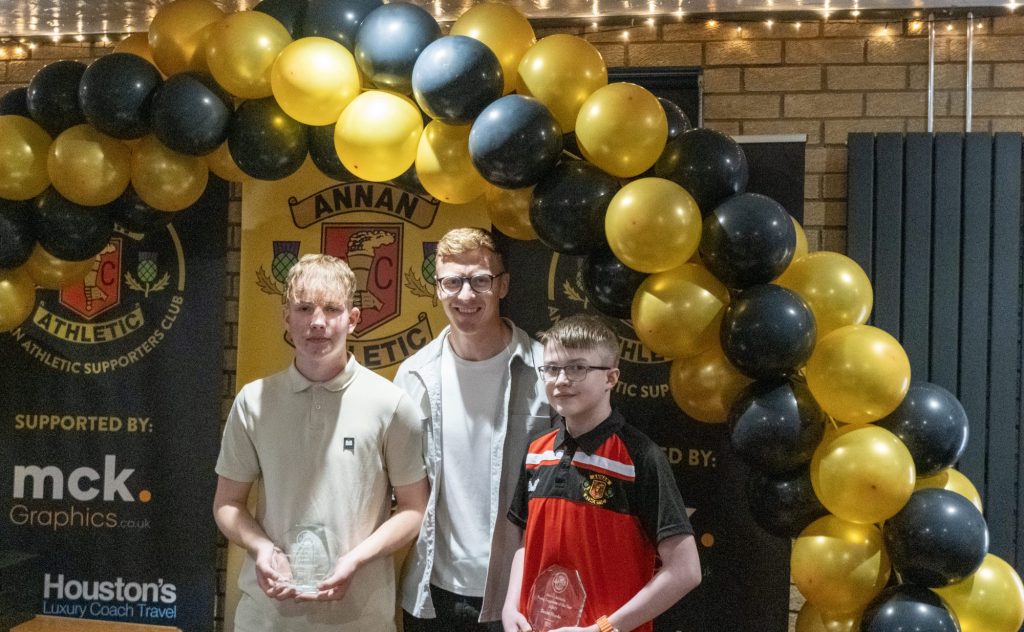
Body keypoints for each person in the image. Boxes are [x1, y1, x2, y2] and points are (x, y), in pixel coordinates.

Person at [213, 253, 429, 632]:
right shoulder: (253, 401)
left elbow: (414, 509)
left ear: (353, 318)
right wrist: (262, 548)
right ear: (286, 318)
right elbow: (227, 504)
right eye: (304, 308)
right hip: (267, 619)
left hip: (360, 621)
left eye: (331, 309)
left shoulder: (391, 405)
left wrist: (356, 560)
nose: (317, 322)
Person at [502, 314, 702, 632]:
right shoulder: (538, 451)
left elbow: (685, 570)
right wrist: (511, 604)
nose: (561, 379)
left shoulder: (639, 457)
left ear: (611, 378)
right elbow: (527, 542)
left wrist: (602, 629)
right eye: (551, 368)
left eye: (577, 368)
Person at [396, 227, 551, 631]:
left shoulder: (549, 373)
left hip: (520, 595)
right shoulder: (412, 376)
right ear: (437, 289)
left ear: (503, 286)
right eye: (452, 282)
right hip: (431, 598)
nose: (465, 295)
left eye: (480, 280)